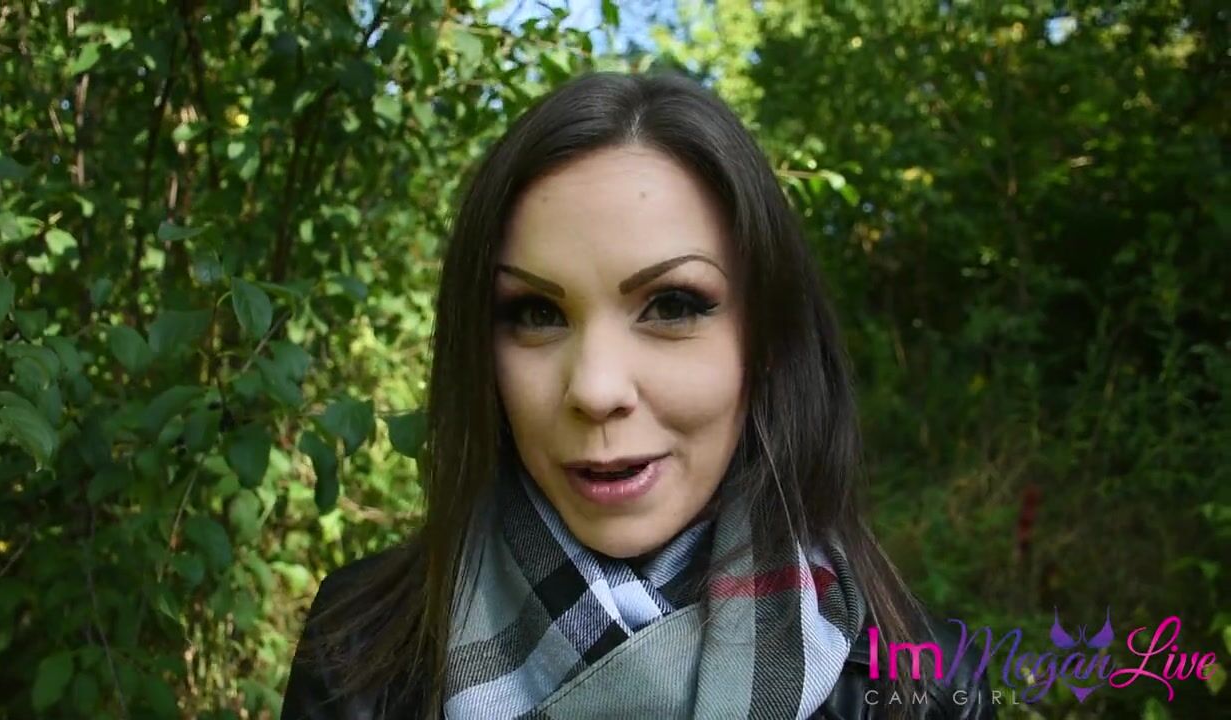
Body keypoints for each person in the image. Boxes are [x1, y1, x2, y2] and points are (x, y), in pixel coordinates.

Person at [281, 70, 993, 720]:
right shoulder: (358, 649)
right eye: (536, 313)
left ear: (768, 341)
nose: (595, 389)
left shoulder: (925, 689)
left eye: (673, 305)